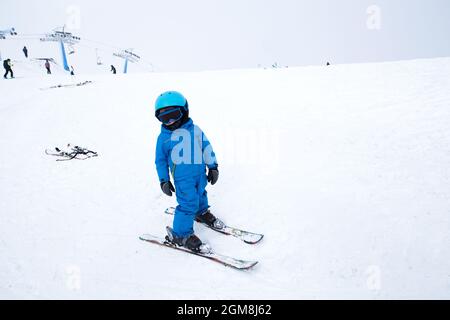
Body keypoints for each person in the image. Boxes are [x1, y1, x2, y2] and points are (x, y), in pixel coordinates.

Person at [154, 91, 220, 252]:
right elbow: (160, 161)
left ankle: (201, 212)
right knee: (187, 202)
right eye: (164, 118)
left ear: (184, 111)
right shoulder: (163, 138)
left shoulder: (196, 130)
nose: (170, 122)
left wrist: (213, 166)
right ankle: (181, 234)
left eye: (174, 115)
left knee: (201, 194)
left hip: (200, 174)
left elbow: (206, 148)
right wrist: (164, 180)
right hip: (182, 179)